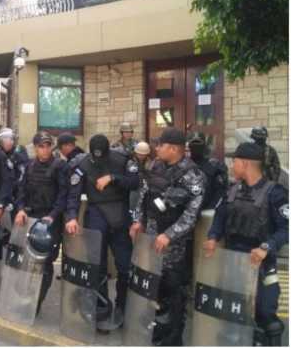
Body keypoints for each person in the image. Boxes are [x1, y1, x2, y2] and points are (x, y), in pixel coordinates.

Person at [204, 142, 288, 346]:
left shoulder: (275, 193)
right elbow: (220, 217)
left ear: (245, 163)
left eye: (234, 162)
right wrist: (213, 237)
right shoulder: (232, 190)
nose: (232, 166)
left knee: (265, 312)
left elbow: (286, 228)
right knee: (233, 312)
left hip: (261, 263)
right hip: (233, 263)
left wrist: (266, 247)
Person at [130, 127, 206, 346]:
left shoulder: (193, 175)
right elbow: (144, 194)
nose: (157, 148)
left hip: (174, 246)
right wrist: (138, 220)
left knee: (174, 292)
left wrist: (169, 235)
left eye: (160, 145)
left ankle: (173, 338)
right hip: (152, 238)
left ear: (173, 149)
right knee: (157, 288)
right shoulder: (156, 165)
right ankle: (159, 330)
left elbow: (192, 214)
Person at [66, 134, 140, 329]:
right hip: (96, 215)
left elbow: (135, 182)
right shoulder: (82, 164)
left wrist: (113, 178)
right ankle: (101, 309)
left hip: (119, 216)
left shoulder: (122, 160)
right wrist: (72, 216)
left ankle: (123, 307)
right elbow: (73, 193)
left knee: (124, 267)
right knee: (96, 267)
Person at [14, 131, 69, 313]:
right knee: (28, 261)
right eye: (41, 146)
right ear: (35, 147)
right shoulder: (29, 166)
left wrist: (52, 216)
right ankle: (26, 297)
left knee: (45, 262)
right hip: (31, 218)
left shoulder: (60, 166)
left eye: (47, 146)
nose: (45, 150)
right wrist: (21, 209)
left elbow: (64, 195)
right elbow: (21, 191)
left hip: (50, 220)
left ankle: (36, 303)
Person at [187, 134, 228, 210]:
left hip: (207, 212)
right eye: (193, 146)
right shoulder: (182, 166)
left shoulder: (215, 166)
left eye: (198, 146)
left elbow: (221, 191)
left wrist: (211, 209)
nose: (196, 149)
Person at [0, 127, 29, 202]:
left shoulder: (19, 151)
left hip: (17, 192)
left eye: (11, 139)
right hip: (1, 192)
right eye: (4, 139)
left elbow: (23, 174)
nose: (9, 142)